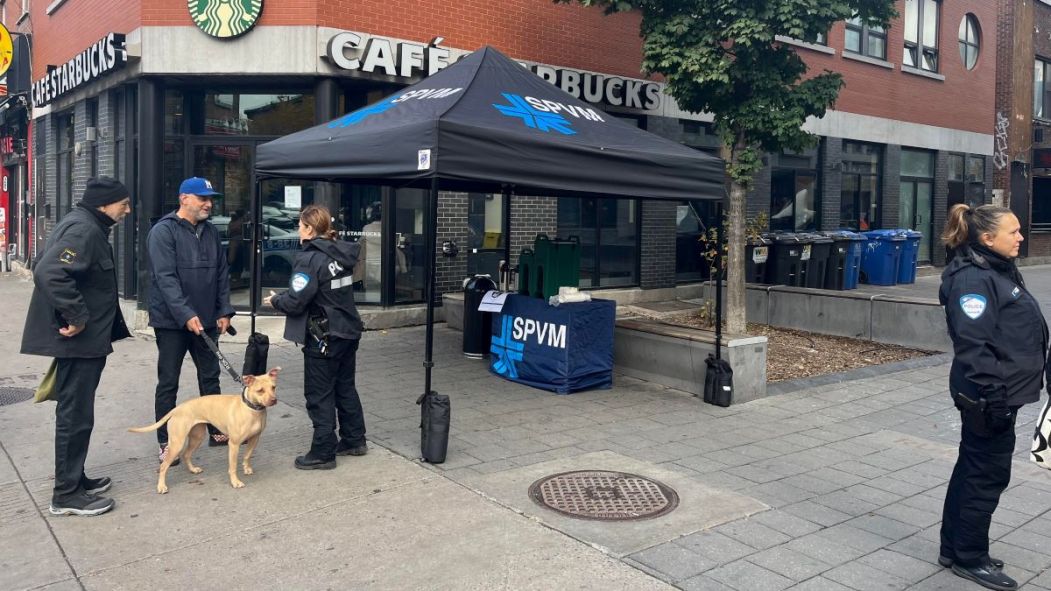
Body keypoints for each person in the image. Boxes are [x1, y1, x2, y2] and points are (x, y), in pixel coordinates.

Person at [938, 203, 1047, 591]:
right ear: (987, 238)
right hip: (987, 395)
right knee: (986, 475)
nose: (1020, 237)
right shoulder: (973, 278)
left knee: (971, 468)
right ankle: (971, 558)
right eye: (1014, 231)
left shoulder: (994, 267)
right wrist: (993, 395)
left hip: (995, 391)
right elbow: (973, 344)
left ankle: (954, 548)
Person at [21, 177, 132, 516]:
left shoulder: (85, 225)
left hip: (84, 342)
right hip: (78, 341)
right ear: (104, 204)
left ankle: (75, 477)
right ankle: (66, 494)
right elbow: (50, 271)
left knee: (78, 413)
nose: (128, 210)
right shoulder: (84, 230)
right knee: (75, 415)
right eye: (123, 203)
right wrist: (78, 316)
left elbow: (45, 261)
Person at [264, 204, 367, 470]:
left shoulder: (309, 258)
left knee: (319, 394)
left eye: (300, 225)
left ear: (309, 229)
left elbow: (297, 302)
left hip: (324, 336)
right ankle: (354, 440)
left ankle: (323, 451)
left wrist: (276, 301)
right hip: (347, 331)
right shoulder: (340, 253)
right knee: (344, 386)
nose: (298, 230)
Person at [147, 177, 235, 464]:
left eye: (210, 199)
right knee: (168, 381)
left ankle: (217, 428)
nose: (209, 204)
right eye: (202, 198)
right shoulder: (163, 232)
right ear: (184, 198)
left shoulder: (210, 232)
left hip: (207, 319)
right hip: (171, 322)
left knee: (210, 375)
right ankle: (165, 441)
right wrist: (186, 314)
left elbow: (222, 273)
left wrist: (224, 310)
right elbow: (166, 279)